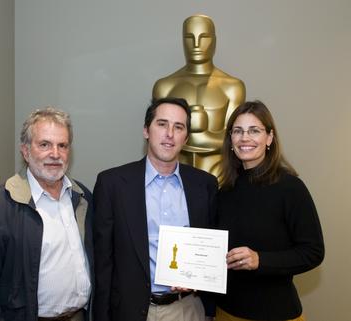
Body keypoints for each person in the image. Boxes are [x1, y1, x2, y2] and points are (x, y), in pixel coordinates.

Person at [0, 107, 94, 321]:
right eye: (45, 144)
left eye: (62, 145)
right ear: (26, 151)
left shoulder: (82, 198)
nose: (55, 154)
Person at [93, 97, 218, 321]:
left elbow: (210, 250)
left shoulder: (205, 185)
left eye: (178, 127)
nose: (169, 133)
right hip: (132, 311)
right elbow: (103, 263)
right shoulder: (112, 184)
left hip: (188, 309)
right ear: (146, 131)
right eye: (162, 124)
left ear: (186, 138)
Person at [216, 101, 325, 321]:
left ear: (269, 138)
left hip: (276, 313)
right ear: (230, 141)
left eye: (254, 130)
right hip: (226, 312)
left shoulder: (290, 188)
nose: (245, 138)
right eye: (238, 131)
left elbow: (313, 252)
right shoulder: (224, 190)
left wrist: (260, 260)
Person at [153, 14, 246, 177]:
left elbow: (235, 139)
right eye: (189, 38)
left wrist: (201, 135)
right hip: (173, 179)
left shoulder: (232, 87)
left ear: (214, 41)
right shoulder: (165, 87)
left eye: (204, 37)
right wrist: (202, 135)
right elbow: (157, 138)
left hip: (220, 178)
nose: (196, 45)